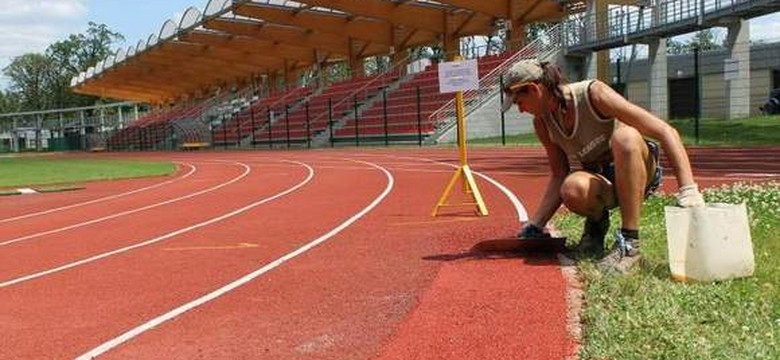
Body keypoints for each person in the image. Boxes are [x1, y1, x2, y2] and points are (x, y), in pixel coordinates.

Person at [502, 60, 705, 271]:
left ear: (535, 89)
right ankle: (596, 228)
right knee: (572, 187)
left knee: (625, 137)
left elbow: (665, 131)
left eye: (519, 102)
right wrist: (536, 224)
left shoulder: (593, 94)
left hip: (637, 170)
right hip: (603, 182)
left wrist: (688, 189)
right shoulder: (542, 123)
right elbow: (559, 175)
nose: (521, 110)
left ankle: (630, 242)